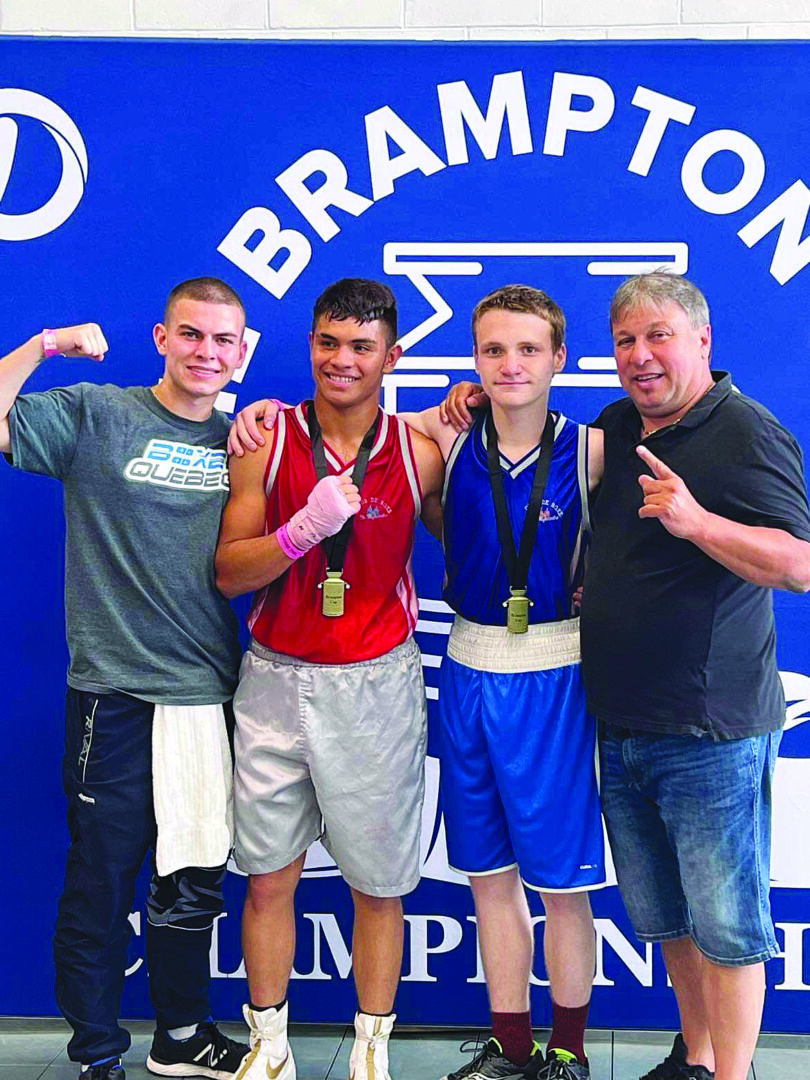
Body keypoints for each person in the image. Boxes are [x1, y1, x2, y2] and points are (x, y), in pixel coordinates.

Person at [0, 279, 253, 1080]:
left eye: (222, 341)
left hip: (206, 695)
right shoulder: (97, 412)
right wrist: (43, 346)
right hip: (114, 696)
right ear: (161, 337)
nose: (206, 353)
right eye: (191, 335)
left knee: (192, 879)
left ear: (240, 351)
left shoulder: (245, 441)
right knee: (102, 883)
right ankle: (98, 1052)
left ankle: (181, 1038)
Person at [581, 272, 810, 1080]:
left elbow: (800, 564)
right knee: (668, 920)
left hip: (711, 730)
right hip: (621, 722)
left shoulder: (745, 432)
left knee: (727, 925)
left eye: (659, 336)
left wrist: (698, 522)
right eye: (625, 341)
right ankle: (700, 1055)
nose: (640, 357)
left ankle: (734, 1075)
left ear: (703, 342)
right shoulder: (617, 423)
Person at [214, 278, 444, 1080]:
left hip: (376, 684)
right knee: (269, 878)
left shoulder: (418, 450)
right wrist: (303, 528)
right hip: (276, 678)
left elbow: (486, 534)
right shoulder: (266, 438)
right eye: (328, 343)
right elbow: (230, 573)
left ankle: (371, 1054)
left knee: (380, 884)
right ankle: (268, 1047)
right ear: (311, 343)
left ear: (392, 355)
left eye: (360, 347)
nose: (341, 361)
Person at [399, 286, 605, 1080]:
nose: (510, 365)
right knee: (488, 880)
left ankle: (570, 1052)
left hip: (555, 669)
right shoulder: (445, 443)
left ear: (559, 357)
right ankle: (512, 1049)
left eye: (527, 349)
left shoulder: (591, 450)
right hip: (468, 664)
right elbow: (367, 430)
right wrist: (441, 407)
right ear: (473, 361)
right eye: (492, 350)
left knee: (560, 887)